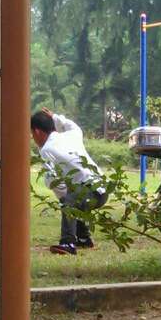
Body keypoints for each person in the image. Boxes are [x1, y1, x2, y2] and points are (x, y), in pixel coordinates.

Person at [31, 107, 107, 255]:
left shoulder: (47, 149)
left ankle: (68, 243)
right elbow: (73, 126)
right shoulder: (72, 135)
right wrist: (56, 117)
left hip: (90, 192)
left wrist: (65, 201)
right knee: (74, 197)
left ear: (37, 132)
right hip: (102, 189)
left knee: (70, 201)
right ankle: (84, 239)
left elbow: (53, 182)